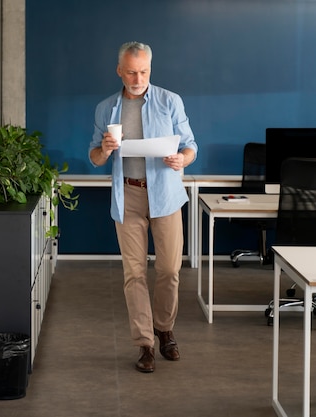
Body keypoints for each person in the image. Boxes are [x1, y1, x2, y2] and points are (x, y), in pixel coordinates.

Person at [88, 41, 198, 373]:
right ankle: (145, 345)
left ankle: (164, 329)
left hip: (166, 194)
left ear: (151, 68)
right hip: (129, 196)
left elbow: (191, 145)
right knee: (134, 273)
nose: (138, 78)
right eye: (132, 72)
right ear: (120, 70)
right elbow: (94, 158)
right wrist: (105, 150)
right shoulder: (106, 109)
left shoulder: (169, 101)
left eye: (144, 71)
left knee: (169, 271)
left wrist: (182, 159)